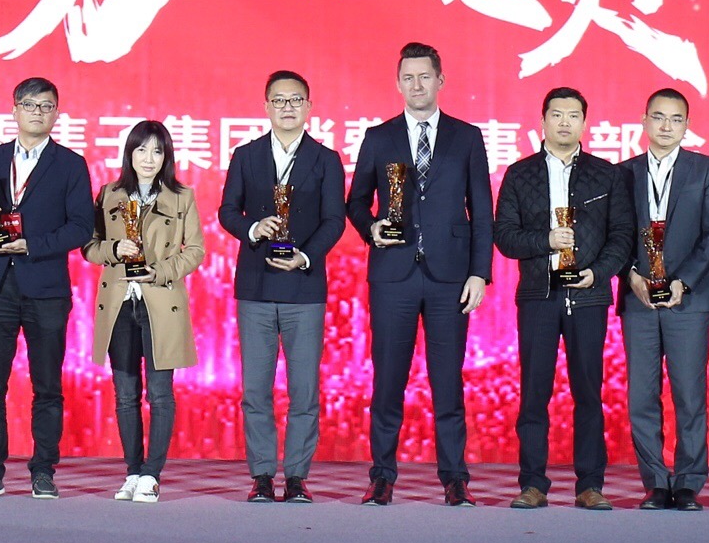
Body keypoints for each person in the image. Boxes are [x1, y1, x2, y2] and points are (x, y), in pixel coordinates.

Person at [345, 42, 494, 506]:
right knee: (388, 380)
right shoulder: (379, 137)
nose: (416, 85)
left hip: (451, 277)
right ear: (398, 84)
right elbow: (356, 201)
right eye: (408, 78)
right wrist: (371, 228)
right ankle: (382, 475)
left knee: (448, 382)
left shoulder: (466, 137)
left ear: (440, 80)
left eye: (424, 76)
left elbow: (482, 210)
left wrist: (480, 273)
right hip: (394, 276)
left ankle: (455, 477)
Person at [493, 87, 634, 510]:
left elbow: (622, 236)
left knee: (588, 392)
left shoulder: (607, 175)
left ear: (585, 123)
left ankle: (590, 484)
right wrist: (547, 240)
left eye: (574, 115)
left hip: (588, 296)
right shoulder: (520, 174)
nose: (565, 122)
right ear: (543, 121)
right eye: (557, 114)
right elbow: (505, 236)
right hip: (539, 295)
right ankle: (532, 483)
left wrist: (599, 273)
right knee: (534, 392)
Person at [217, 70, 347, 503]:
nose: (287, 107)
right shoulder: (246, 155)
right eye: (278, 100)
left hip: (304, 288)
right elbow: (227, 211)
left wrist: (305, 256)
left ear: (309, 106)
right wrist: (253, 229)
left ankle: (296, 477)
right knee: (256, 390)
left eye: (295, 100)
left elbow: (334, 220)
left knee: (304, 391)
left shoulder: (326, 159)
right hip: (255, 286)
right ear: (266, 106)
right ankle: (260, 475)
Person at [0, 77, 95, 500]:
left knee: (47, 386)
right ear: (14, 110)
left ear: (56, 113)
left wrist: (33, 245)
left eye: (46, 106)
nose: (37, 112)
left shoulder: (71, 164)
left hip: (45, 287)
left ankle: (43, 470)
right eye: (29, 104)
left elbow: (81, 227)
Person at [621, 88, 709, 511]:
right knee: (641, 397)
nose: (666, 126)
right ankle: (655, 482)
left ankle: (687, 482)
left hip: (690, 299)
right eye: (658, 117)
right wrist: (630, 275)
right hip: (639, 299)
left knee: (689, 395)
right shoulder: (624, 173)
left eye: (676, 119)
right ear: (644, 121)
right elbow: (615, 233)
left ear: (687, 125)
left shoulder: (706, 169)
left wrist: (684, 280)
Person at [87, 120, 208, 503]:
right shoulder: (109, 194)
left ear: (166, 156)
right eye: (141, 149)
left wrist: (161, 271)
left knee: (160, 394)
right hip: (119, 303)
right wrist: (113, 250)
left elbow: (196, 250)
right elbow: (89, 245)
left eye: (157, 151)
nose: (149, 158)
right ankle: (132, 472)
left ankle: (152, 475)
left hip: (161, 301)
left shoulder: (181, 197)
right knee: (125, 394)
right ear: (130, 153)